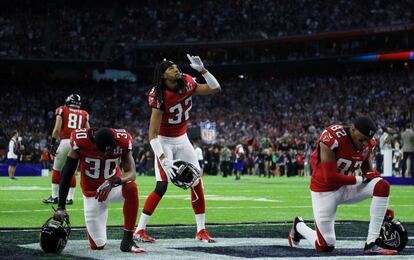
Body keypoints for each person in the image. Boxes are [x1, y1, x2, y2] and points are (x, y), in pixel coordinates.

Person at [134, 54, 221, 243]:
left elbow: (215, 88)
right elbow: (152, 134)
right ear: (163, 75)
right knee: (162, 185)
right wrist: (163, 159)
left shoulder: (188, 82)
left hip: (182, 138)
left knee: (196, 181)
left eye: (176, 66)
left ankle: (201, 230)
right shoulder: (158, 95)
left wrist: (203, 70)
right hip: (163, 140)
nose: (176, 69)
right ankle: (139, 229)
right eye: (171, 68)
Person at [288, 116, 398, 255]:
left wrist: (382, 207)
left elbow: (368, 172)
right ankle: (299, 226)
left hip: (348, 186)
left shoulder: (368, 144)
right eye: (362, 139)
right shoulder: (332, 138)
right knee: (325, 246)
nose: (364, 143)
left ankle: (372, 243)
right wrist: (361, 178)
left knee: (382, 186)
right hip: (325, 190)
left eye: (367, 140)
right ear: (353, 130)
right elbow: (330, 178)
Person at [52, 127, 144, 253]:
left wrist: (113, 181)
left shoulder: (122, 140)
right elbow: (67, 173)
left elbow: (132, 173)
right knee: (98, 245)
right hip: (92, 194)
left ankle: (128, 240)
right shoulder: (80, 141)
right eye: (101, 150)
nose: (104, 154)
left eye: (108, 150)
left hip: (112, 188)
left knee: (131, 187)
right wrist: (61, 206)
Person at [43, 94, 89, 205]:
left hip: (65, 142)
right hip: (78, 143)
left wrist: (52, 143)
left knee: (57, 169)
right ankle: (70, 198)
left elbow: (57, 129)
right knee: (72, 171)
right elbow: (88, 131)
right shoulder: (84, 114)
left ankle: (54, 196)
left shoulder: (62, 109)